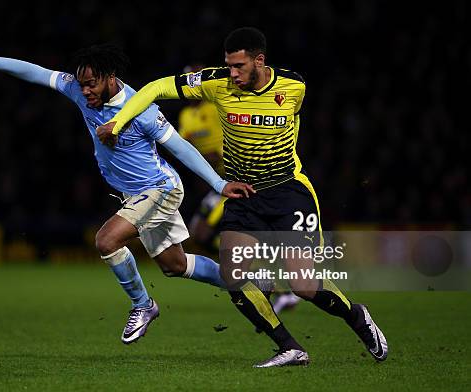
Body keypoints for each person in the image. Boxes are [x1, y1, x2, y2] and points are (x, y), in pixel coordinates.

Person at [96, 27, 388, 367]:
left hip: (287, 192)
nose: (232, 74)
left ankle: (357, 317)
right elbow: (156, 88)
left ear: (259, 61)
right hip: (242, 193)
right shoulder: (216, 83)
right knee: (233, 277)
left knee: (304, 286)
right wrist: (118, 121)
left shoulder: (294, 87)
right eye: (228, 66)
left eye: (239, 66)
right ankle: (289, 348)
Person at [0, 41, 253, 344]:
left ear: (109, 77)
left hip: (160, 189)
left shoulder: (140, 108)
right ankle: (245, 282)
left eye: (91, 84)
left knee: (106, 240)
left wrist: (218, 184)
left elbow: (181, 148)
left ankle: (143, 306)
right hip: (134, 195)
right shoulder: (80, 91)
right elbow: (36, 73)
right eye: (81, 85)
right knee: (175, 265)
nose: (85, 92)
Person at [178, 64, 301, 315]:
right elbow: (184, 145)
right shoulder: (185, 116)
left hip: (240, 178)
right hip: (219, 183)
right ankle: (266, 278)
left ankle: (278, 285)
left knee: (208, 233)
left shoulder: (216, 106)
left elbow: (224, 144)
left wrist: (205, 158)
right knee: (199, 234)